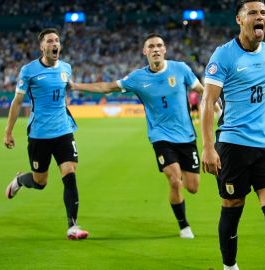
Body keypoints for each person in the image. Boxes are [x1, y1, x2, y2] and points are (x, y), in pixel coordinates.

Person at [69, 33, 202, 239]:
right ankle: (184, 226)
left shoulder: (181, 69)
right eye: (151, 46)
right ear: (145, 51)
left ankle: (180, 192)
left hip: (186, 136)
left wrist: (218, 103)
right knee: (175, 180)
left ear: (165, 49)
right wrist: (77, 86)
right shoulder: (137, 78)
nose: (156, 49)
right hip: (161, 137)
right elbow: (108, 87)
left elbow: (201, 89)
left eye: (159, 45)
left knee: (192, 187)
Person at [201, 1, 265, 270]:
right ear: (239, 20)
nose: (260, 17)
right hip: (233, 145)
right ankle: (229, 266)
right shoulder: (223, 56)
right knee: (233, 205)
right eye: (253, 13)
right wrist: (208, 147)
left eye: (264, 13)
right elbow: (207, 103)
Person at [3, 28, 89, 240]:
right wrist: (8, 131)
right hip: (39, 134)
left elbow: (62, 92)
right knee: (40, 182)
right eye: (50, 41)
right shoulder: (29, 70)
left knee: (69, 174)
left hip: (64, 131)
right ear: (42, 47)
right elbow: (17, 102)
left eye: (57, 40)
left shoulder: (66, 68)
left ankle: (73, 226)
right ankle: (21, 181)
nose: (54, 44)